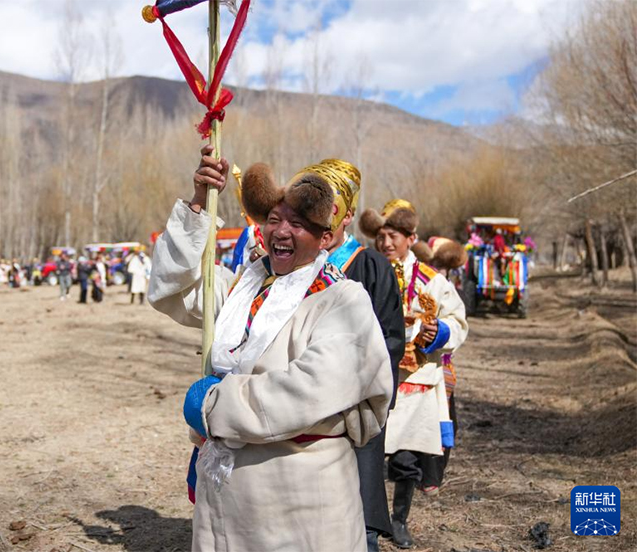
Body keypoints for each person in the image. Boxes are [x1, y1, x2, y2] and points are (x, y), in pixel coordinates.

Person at [148, 145, 393, 551]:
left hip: (300, 500)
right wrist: (198, 203)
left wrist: (214, 405)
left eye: (297, 223)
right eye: (274, 220)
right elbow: (171, 288)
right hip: (228, 492)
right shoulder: (242, 288)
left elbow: (307, 390)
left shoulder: (343, 301)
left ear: (325, 237)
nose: (281, 231)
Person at [359, 199, 468, 549]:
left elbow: (456, 320)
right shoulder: (366, 271)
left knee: (406, 459)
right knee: (367, 452)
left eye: (393, 236)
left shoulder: (432, 282)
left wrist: (437, 333)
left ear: (411, 238)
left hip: (416, 380)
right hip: (373, 377)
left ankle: (399, 520)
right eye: (381, 237)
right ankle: (366, 524)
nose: (386, 243)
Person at [316, 161, 405, 552]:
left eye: (328, 212)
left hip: (353, 408)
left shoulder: (371, 266)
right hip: (303, 411)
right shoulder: (296, 265)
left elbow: (390, 340)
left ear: (347, 216)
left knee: (356, 518)